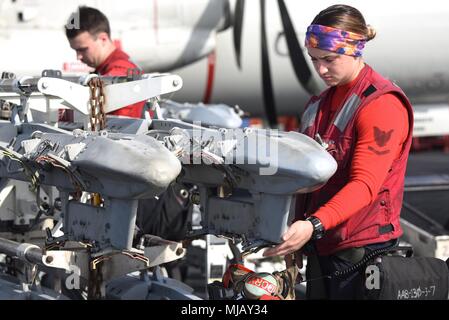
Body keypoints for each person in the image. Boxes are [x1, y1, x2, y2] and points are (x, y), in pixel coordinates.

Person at [264, 4, 414, 299]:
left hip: (361, 252)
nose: (321, 69)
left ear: (356, 49)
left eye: (329, 59)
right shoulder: (317, 105)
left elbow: (365, 185)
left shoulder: (381, 105)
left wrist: (312, 225)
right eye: (314, 60)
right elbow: (304, 181)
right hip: (322, 244)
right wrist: (296, 234)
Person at [65, 6, 145, 118]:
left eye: (83, 49)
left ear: (103, 39)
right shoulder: (104, 70)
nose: (78, 57)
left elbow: (120, 127)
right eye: (76, 50)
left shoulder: (121, 70)